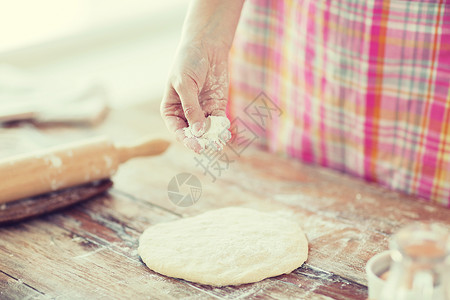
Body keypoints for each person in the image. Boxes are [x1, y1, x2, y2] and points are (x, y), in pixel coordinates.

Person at [160, 0, 450, 207]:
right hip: (299, 44)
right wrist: (203, 39)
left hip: (426, 56)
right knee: (289, 194)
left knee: (415, 229)